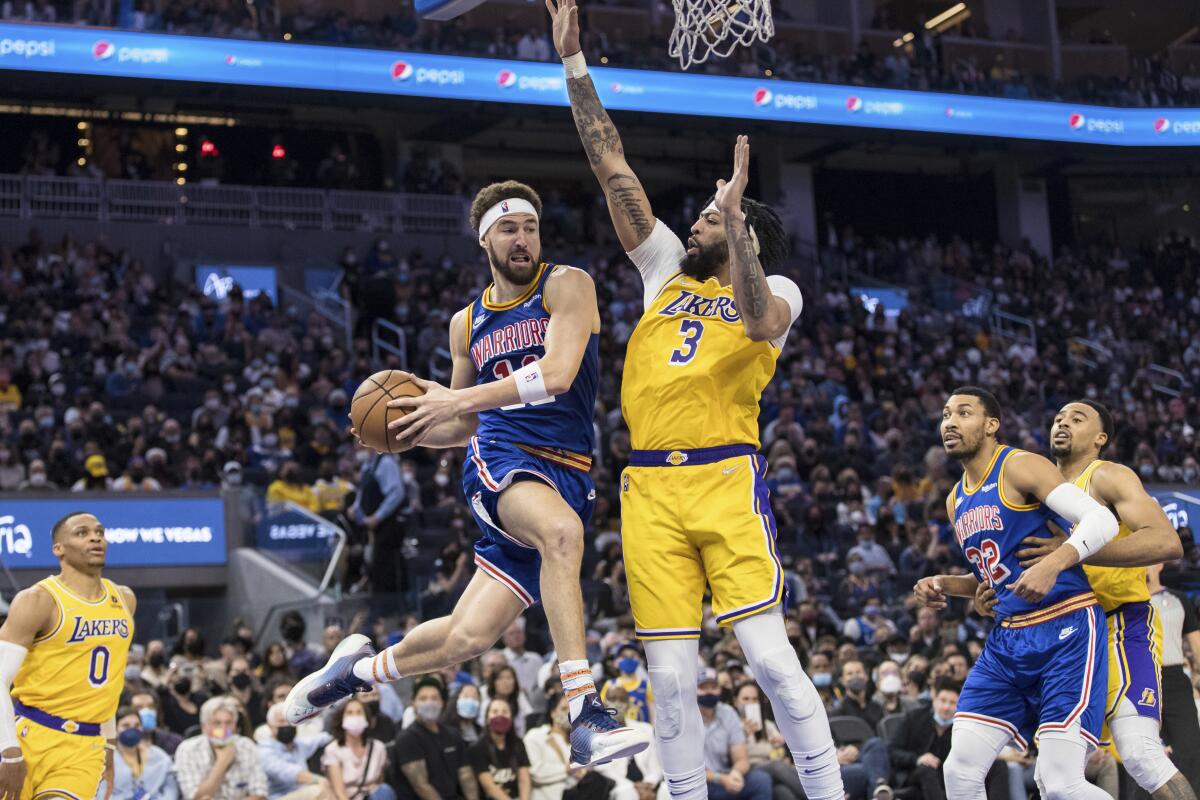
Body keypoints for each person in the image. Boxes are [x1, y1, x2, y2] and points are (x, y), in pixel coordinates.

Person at [547, 5, 838, 800]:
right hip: (650, 488)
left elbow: (755, 319)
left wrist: (738, 220)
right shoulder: (665, 272)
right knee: (669, 678)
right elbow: (614, 170)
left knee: (772, 660)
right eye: (708, 215)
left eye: (712, 215)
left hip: (724, 479)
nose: (700, 219)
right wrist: (574, 64)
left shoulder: (777, 288)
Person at [288, 179, 648, 767]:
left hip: (570, 473)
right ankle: (584, 711)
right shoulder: (467, 322)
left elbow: (557, 375)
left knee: (468, 637)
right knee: (562, 535)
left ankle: (355, 671)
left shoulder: (567, 285)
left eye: (530, 227)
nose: (523, 239)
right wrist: (409, 432)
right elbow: (460, 424)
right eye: (509, 229)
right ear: (484, 239)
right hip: (504, 459)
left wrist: (454, 406)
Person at [977, 399, 1194, 800]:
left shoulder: (1108, 475)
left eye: (1077, 419)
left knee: (1142, 754)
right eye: (1058, 418)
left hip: (1117, 625)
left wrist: (1074, 550)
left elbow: (1166, 541)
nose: (1062, 423)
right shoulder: (1036, 489)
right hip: (1065, 640)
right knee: (1053, 778)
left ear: (1100, 438)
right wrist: (979, 591)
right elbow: (1022, 563)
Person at [914, 387, 1121, 800]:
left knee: (1060, 783)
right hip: (1008, 639)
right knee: (959, 769)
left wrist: (1055, 561)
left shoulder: (1020, 465)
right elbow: (995, 578)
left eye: (964, 413)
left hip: (1066, 627)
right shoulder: (957, 500)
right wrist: (946, 585)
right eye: (945, 414)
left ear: (991, 425)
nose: (950, 422)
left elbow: (1101, 521)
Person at [0, 511, 137, 800]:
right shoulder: (38, 600)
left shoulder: (124, 599)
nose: (95, 537)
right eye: (82, 532)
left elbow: (108, 683)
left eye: (99, 531)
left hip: (83, 747)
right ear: (58, 549)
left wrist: (109, 746)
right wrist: (8, 751)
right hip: (26, 733)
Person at [1147, 562, 1200, 794]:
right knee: (1145, 753)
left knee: (1189, 749)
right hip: (1141, 681)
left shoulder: (1178, 599)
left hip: (1175, 678)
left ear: (1159, 564)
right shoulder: (1124, 601)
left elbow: (1195, 644)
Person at [390, 677, 478, 800]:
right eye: (423, 698)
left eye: (434, 698)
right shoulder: (407, 738)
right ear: (413, 703)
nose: (429, 703)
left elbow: (465, 775)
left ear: (443, 702)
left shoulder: (452, 735)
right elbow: (421, 785)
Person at [174, 695, 268, 800]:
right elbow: (196, 797)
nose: (223, 729)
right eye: (217, 723)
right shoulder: (187, 750)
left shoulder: (246, 746)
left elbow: (260, 794)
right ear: (204, 727)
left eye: (228, 723)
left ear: (235, 726)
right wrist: (222, 762)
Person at [696, 670, 771, 800]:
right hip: (698, 783)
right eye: (703, 687)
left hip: (725, 776)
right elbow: (682, 770)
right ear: (694, 690)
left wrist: (735, 773)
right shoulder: (685, 717)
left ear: (720, 690)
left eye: (713, 687)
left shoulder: (728, 712)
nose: (709, 692)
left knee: (761, 780)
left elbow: (741, 759)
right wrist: (721, 779)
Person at [888, 679, 961, 800]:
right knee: (927, 770)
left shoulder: (961, 727)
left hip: (946, 779)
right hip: (913, 773)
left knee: (998, 766)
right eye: (942, 701)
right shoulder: (914, 718)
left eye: (953, 703)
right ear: (934, 700)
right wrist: (917, 759)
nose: (946, 707)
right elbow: (893, 751)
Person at [322, 698, 395, 800]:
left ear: (366, 718)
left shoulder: (378, 748)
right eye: (350, 713)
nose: (355, 716)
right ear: (342, 719)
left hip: (370, 797)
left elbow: (380, 783)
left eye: (359, 712)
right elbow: (339, 792)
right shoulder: (333, 750)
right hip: (345, 797)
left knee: (384, 790)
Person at [257, 702, 333, 799]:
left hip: (302, 793)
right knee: (319, 790)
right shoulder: (264, 750)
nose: (286, 725)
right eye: (281, 722)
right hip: (279, 797)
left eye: (289, 721)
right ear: (270, 726)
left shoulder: (298, 745)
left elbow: (319, 739)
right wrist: (318, 780)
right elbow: (287, 772)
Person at [112, 703, 181, 800]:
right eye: (126, 726)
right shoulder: (105, 760)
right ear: (115, 729)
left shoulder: (159, 756)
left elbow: (171, 789)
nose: (132, 729)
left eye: (137, 725)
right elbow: (102, 795)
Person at [469, 698, 531, 800]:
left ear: (511, 718)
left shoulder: (518, 743)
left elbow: (524, 780)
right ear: (487, 718)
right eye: (495, 711)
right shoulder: (477, 748)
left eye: (505, 712)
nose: (500, 715)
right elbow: (489, 787)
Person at [523, 692, 574, 800]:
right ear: (552, 713)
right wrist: (566, 769)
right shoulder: (536, 736)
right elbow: (535, 771)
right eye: (564, 709)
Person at [600, 643, 652, 723]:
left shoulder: (647, 685)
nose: (628, 658)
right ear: (615, 662)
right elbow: (601, 713)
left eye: (632, 656)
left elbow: (653, 714)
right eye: (624, 656)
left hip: (641, 733)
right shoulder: (609, 685)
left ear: (639, 660)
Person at [480, 666, 533, 738]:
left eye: (509, 678)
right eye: (500, 678)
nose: (505, 682)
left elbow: (529, 718)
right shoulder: (487, 704)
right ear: (493, 682)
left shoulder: (519, 700)